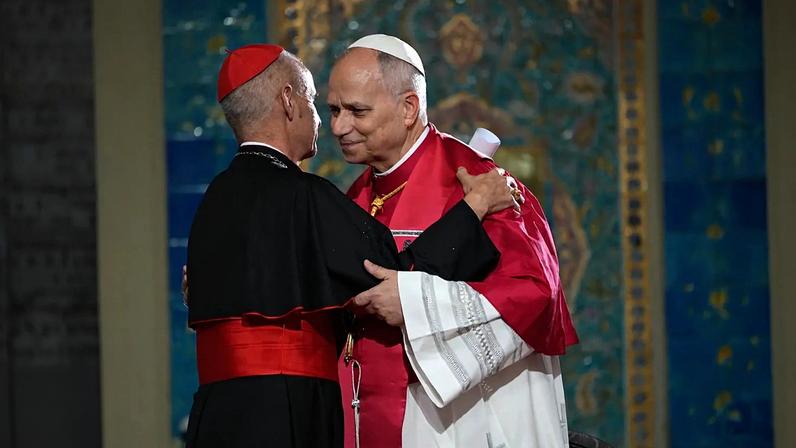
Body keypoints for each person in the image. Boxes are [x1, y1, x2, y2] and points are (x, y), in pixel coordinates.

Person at [183, 44, 518, 448]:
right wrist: (475, 206)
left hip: (216, 414)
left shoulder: (213, 200)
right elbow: (398, 276)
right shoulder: (305, 196)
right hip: (286, 409)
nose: (331, 125)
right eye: (313, 102)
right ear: (288, 101)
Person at [327, 34, 579, 448]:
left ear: (409, 108)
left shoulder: (483, 184)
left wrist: (412, 299)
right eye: (334, 110)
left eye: (357, 111)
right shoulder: (357, 194)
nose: (339, 126)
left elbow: (535, 297)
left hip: (454, 423)